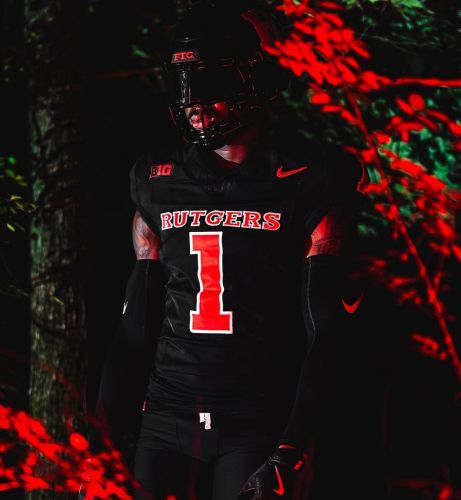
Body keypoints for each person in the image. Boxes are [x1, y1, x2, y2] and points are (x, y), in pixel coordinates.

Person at [84, 2, 365, 499]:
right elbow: (135, 326)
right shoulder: (158, 182)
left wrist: (292, 446)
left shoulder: (305, 181)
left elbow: (328, 331)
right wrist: (97, 445)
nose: (193, 103)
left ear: (256, 80)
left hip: (254, 417)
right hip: (166, 413)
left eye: (208, 83)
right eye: (183, 85)